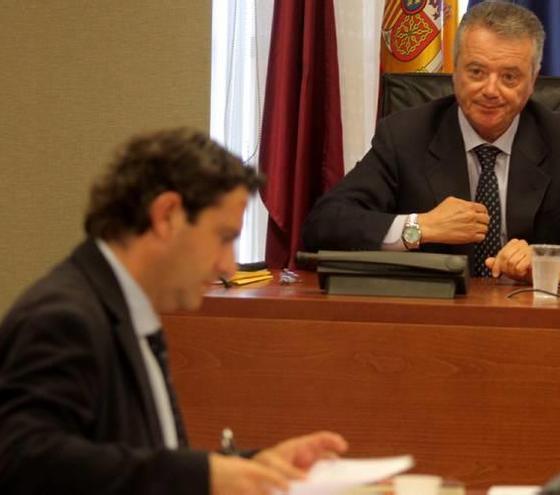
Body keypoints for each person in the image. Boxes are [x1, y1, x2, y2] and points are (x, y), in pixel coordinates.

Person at [0, 129, 348, 494]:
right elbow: (24, 462)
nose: (229, 266)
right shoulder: (63, 317)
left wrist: (250, 468)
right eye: (224, 237)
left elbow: (140, 460)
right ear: (166, 215)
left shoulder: (126, 311)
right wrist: (205, 476)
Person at [302, 1, 560, 283]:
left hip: (530, 325)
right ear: (455, 71)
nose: (490, 89)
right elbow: (325, 224)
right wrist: (420, 227)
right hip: (426, 320)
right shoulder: (405, 135)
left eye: (510, 77)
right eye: (476, 71)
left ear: (533, 81)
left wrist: (550, 266)